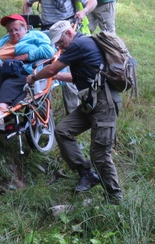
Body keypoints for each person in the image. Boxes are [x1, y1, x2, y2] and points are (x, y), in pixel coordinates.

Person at [26, 20, 123, 204]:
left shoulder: (79, 43)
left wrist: (33, 77)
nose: (58, 45)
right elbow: (75, 76)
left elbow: (53, 67)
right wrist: (54, 76)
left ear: (69, 33)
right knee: (62, 131)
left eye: (60, 41)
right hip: (91, 102)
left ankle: (114, 198)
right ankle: (86, 173)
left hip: (104, 103)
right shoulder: (82, 45)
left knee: (100, 153)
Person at [23, 0, 97, 113]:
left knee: (70, 72)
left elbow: (92, 1)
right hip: (46, 34)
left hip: (66, 34)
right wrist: (27, 22)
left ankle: (74, 113)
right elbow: (28, 3)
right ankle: (41, 111)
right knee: (42, 69)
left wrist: (84, 11)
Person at [0, 14, 55, 127]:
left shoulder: (35, 35)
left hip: (24, 70)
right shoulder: (4, 41)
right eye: (10, 31)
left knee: (9, 84)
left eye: (16, 30)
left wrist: (24, 57)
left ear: (25, 28)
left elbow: (48, 51)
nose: (13, 33)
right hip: (3, 70)